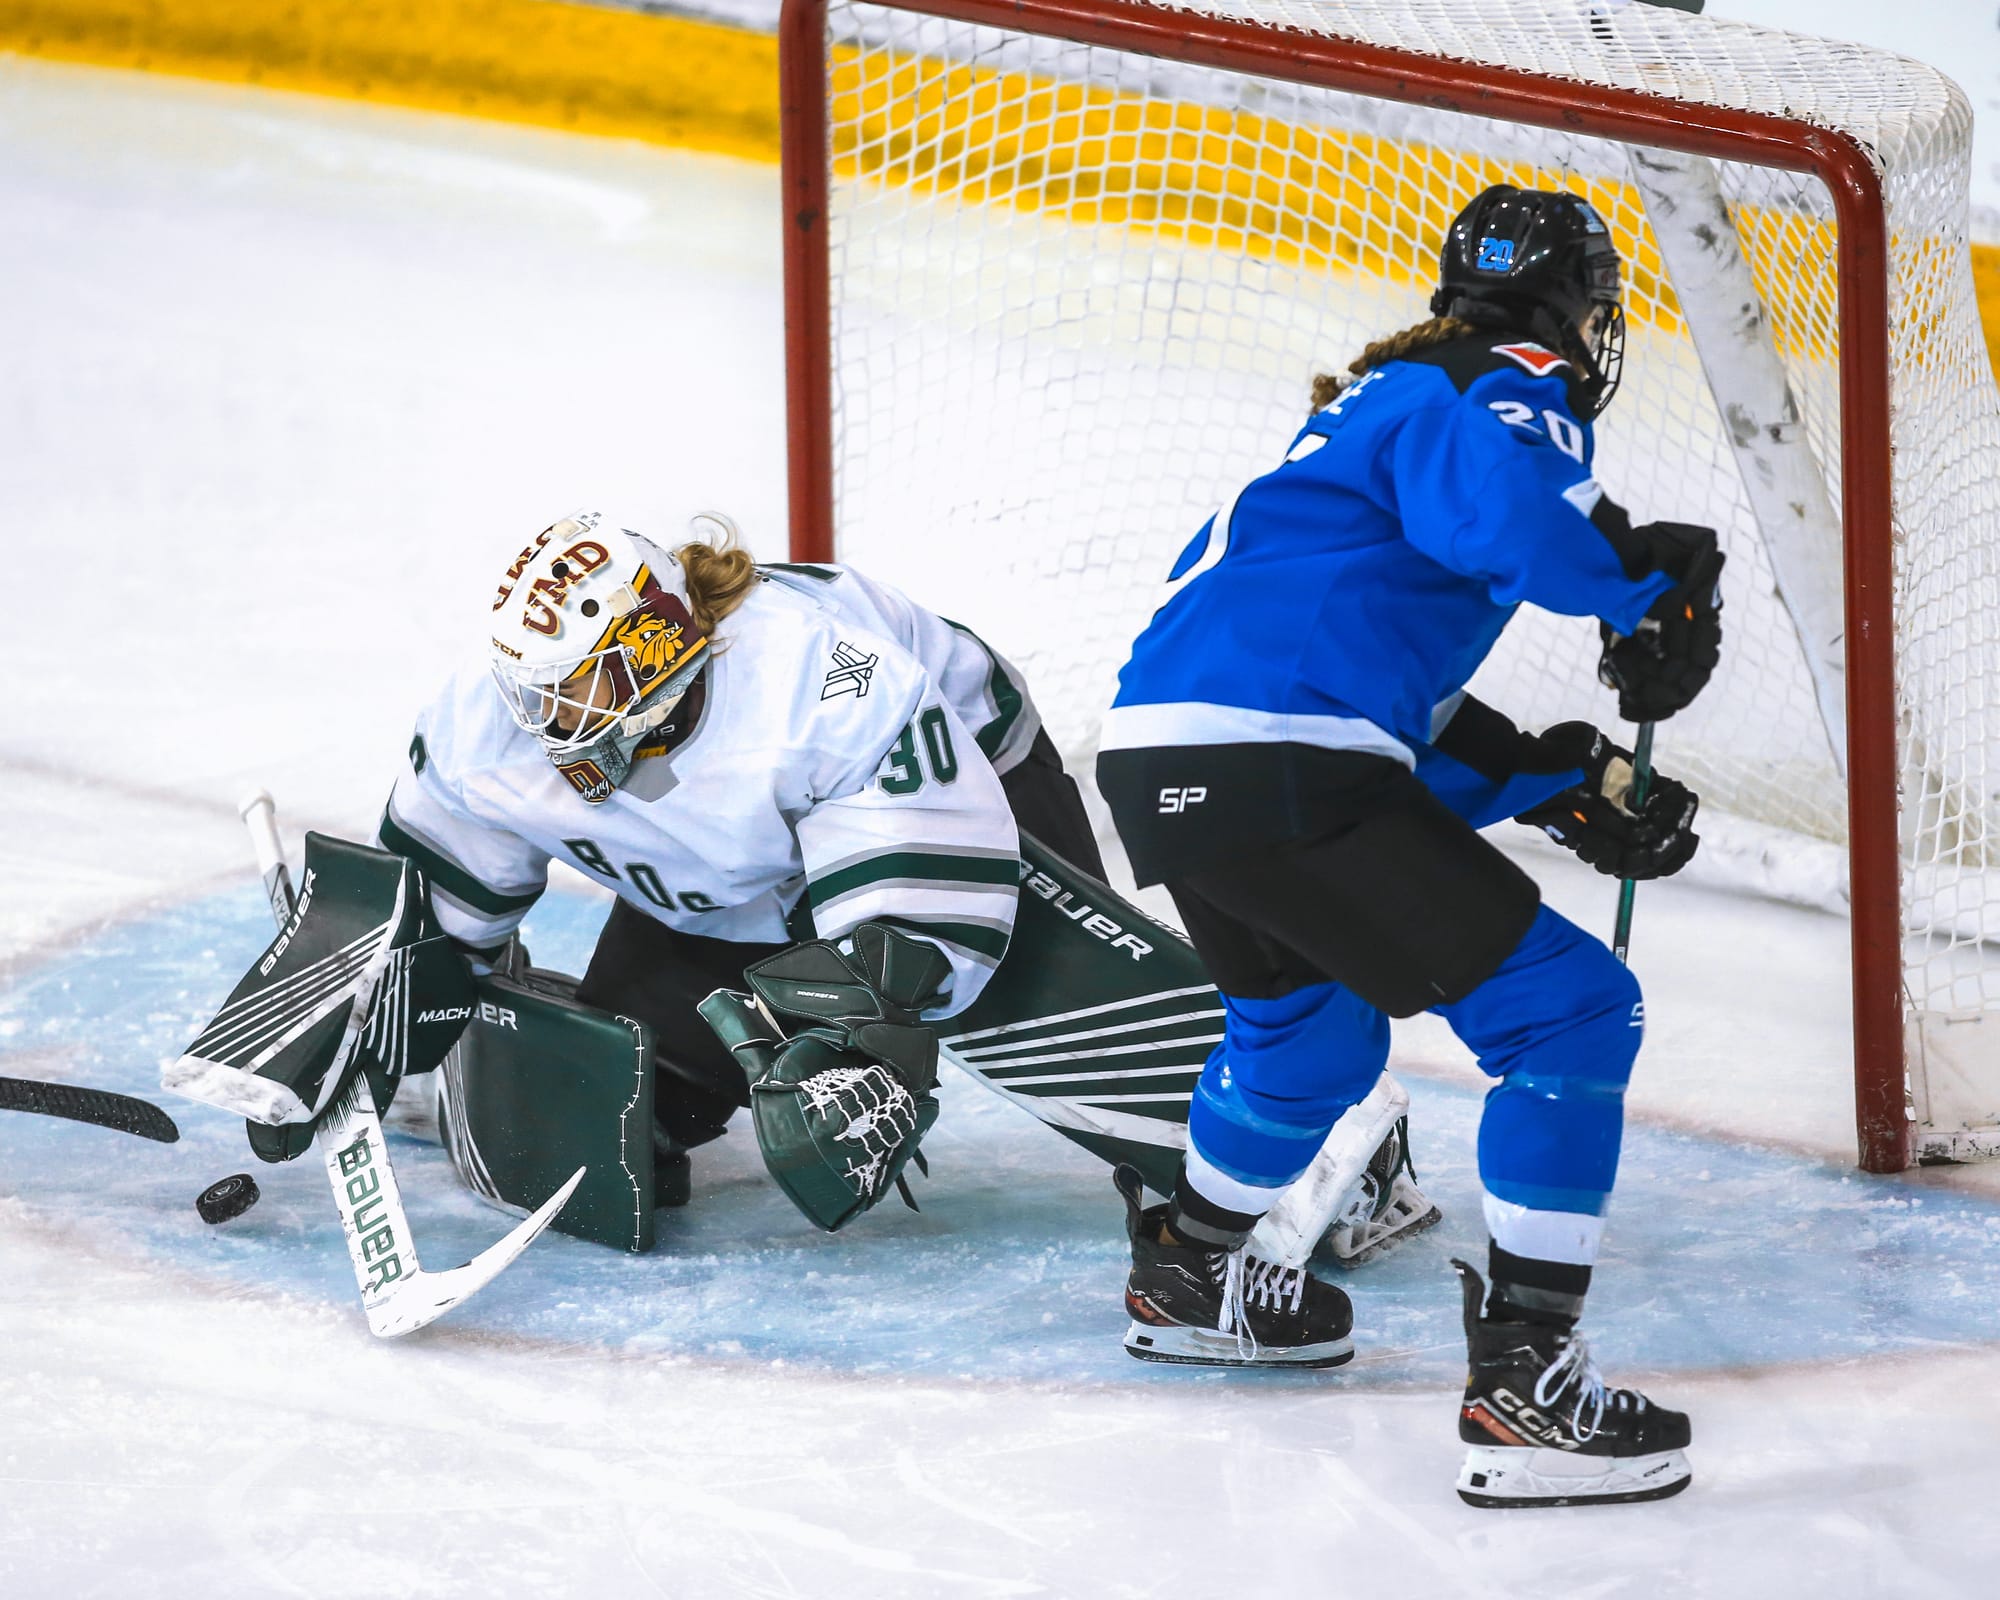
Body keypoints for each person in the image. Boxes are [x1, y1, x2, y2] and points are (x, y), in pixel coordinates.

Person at [1094, 185, 1723, 1507]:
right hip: (1281, 756)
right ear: (1571, 316)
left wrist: (1556, 779)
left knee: (1310, 1038)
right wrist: (1639, 577)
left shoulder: (1362, 420)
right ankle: (1526, 1387)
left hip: (1168, 759)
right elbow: (1500, 518)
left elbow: (1403, 722)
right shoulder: (1500, 381)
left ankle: (1195, 1270)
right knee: (1571, 1015)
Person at [378, 509, 1102, 1205]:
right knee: (607, 1123)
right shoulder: (485, 718)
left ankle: (1202, 1196)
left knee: (1068, 1044)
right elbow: (421, 909)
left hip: (971, 791)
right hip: (747, 871)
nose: (548, 722)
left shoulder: (818, 682)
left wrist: (863, 1041)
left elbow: (921, 921)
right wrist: (372, 1008)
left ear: (652, 644)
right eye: (535, 692)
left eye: (574, 688)